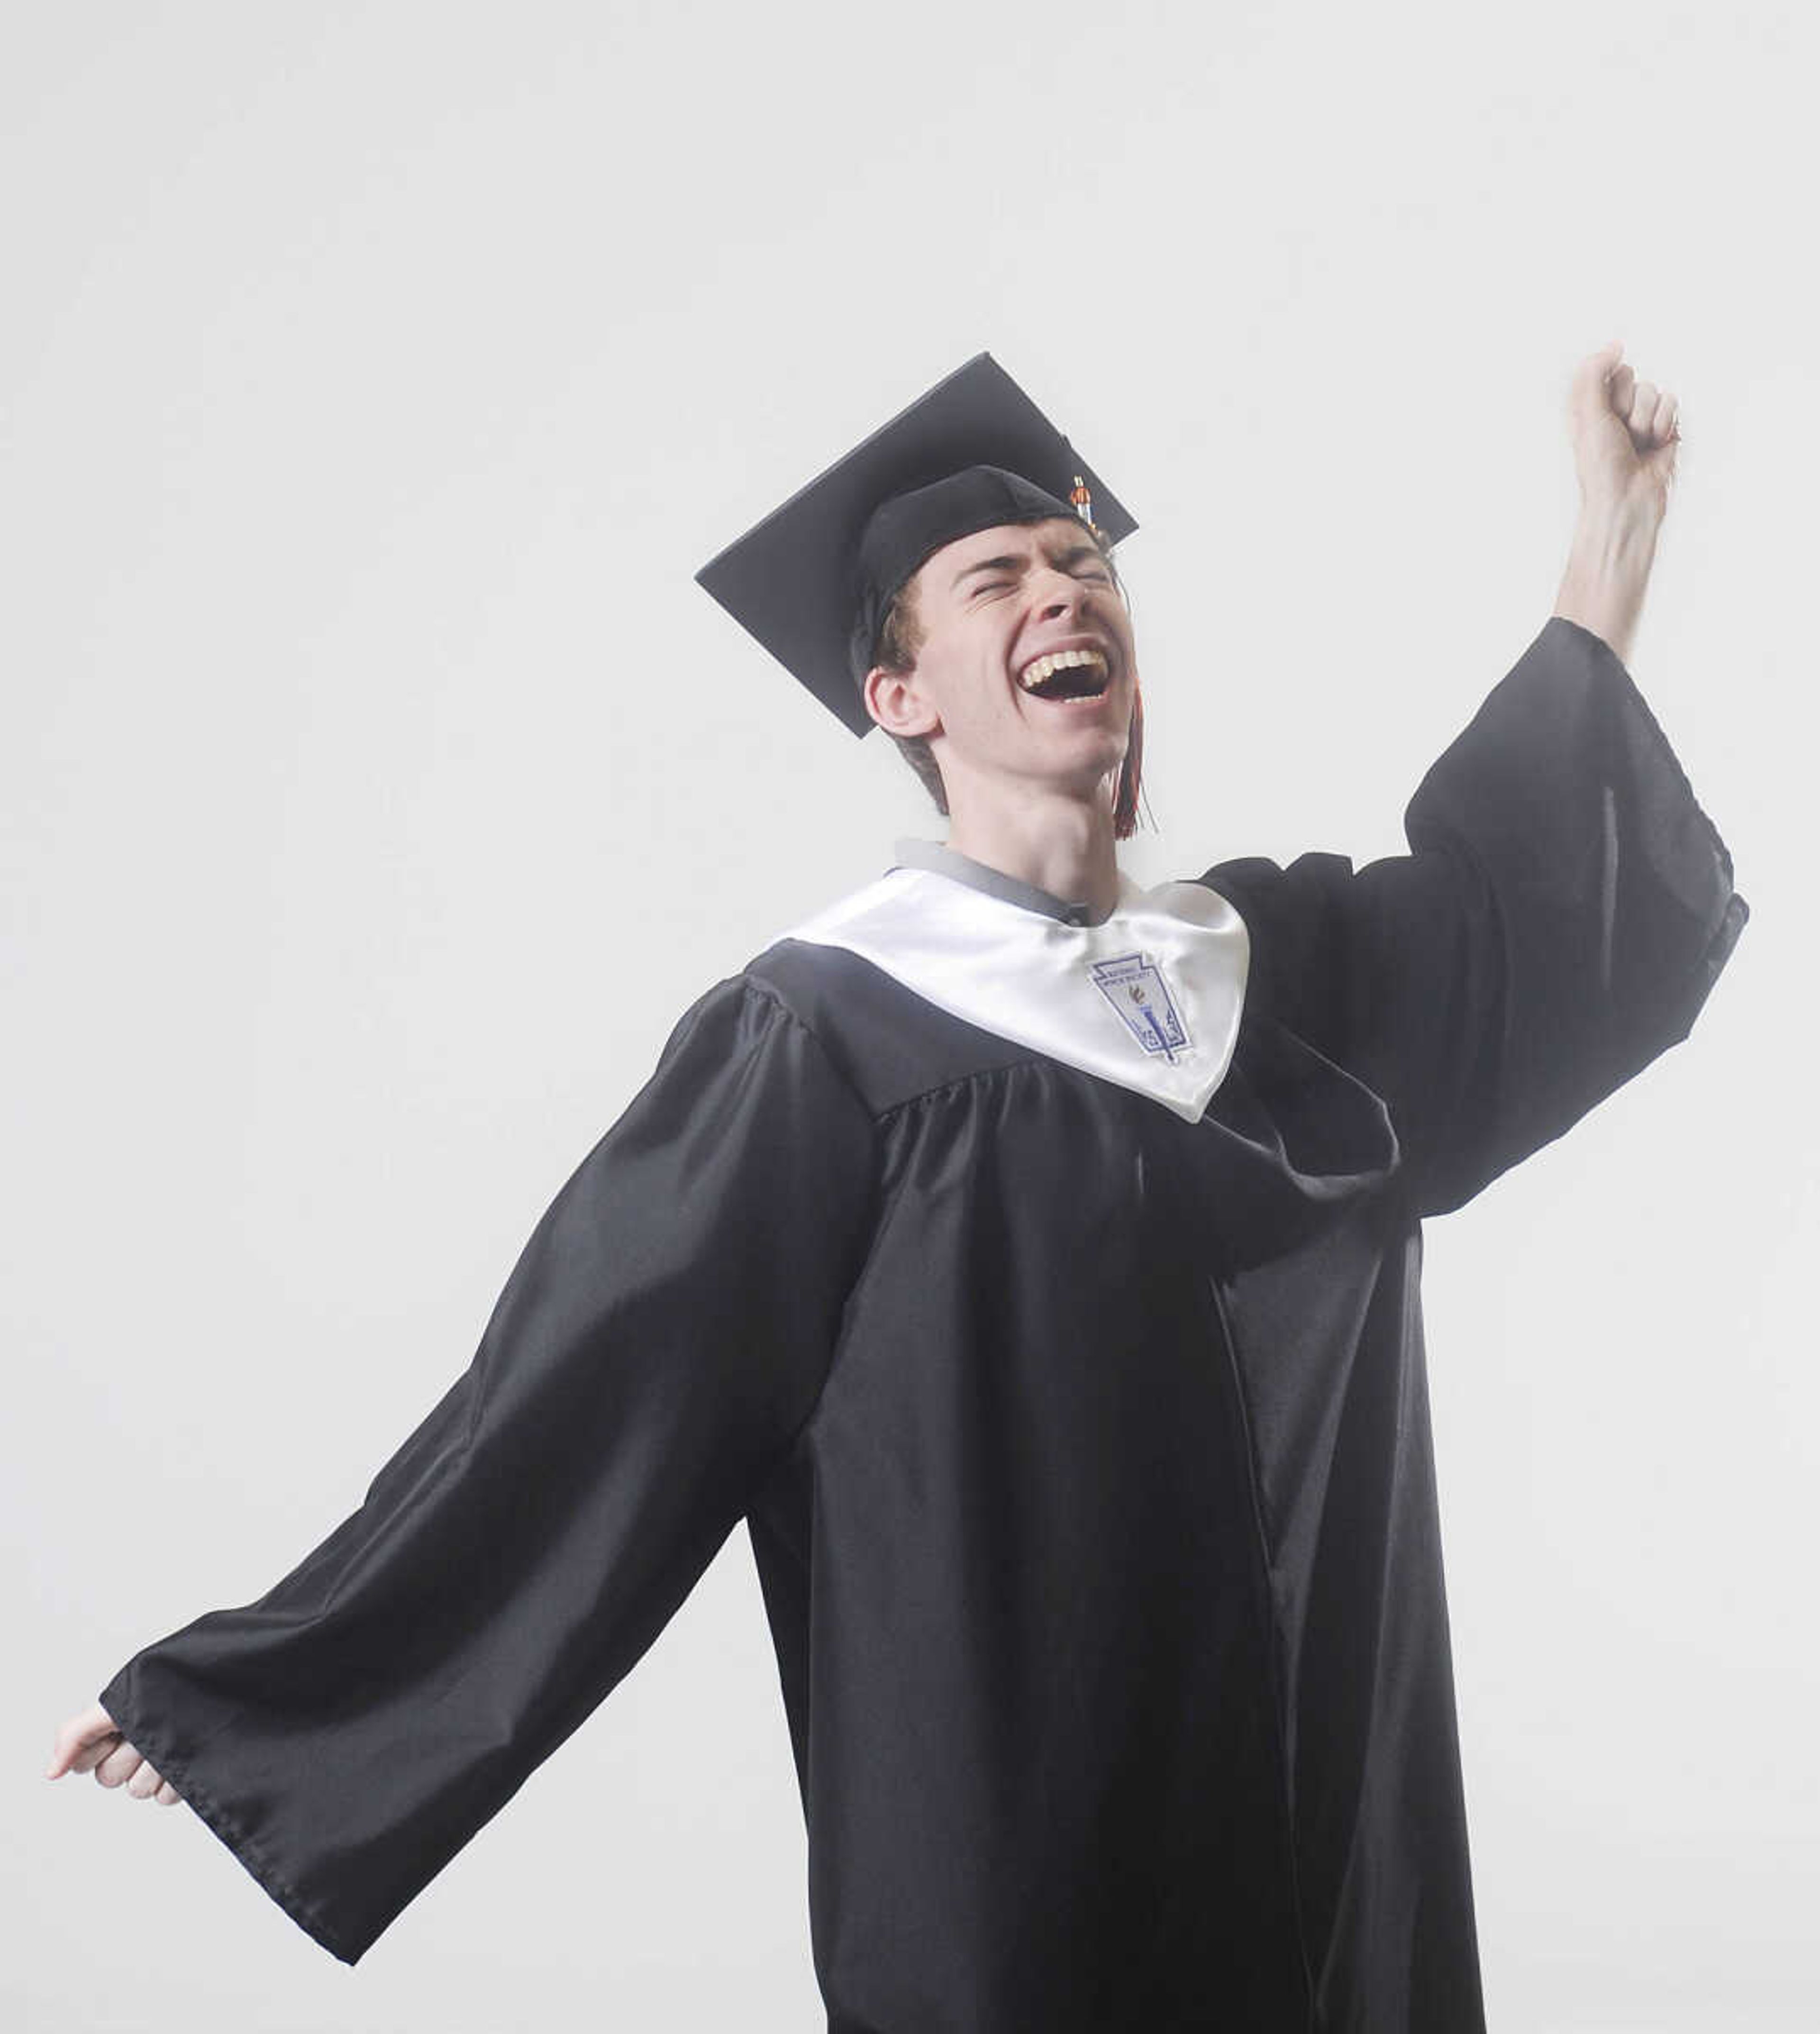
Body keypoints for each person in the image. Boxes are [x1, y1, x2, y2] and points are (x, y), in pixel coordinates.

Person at [49, 345, 1747, 2031]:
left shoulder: (1272, 976)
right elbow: (578, 1394)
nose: (1062, 591)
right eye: (994, 577)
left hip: (1332, 1864)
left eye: (1083, 566)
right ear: (902, 698)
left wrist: (1616, 540)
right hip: (1037, 1890)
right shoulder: (826, 1039)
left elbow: (1541, 918)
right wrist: (260, 1697)